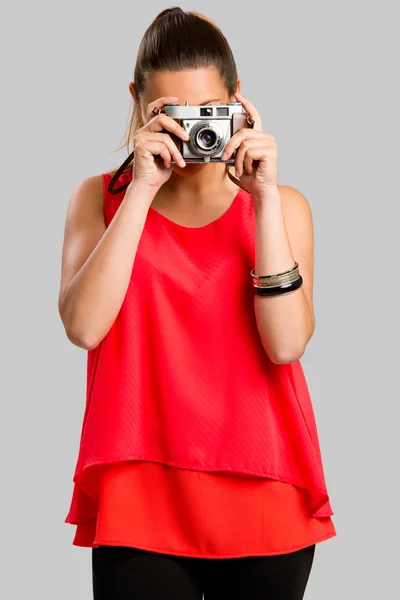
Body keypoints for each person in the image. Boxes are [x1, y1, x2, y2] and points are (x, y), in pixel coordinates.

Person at [58, 6, 336, 599]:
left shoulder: (282, 206)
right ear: (137, 103)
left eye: (206, 111)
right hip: (141, 486)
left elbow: (286, 344)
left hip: (264, 480)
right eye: (170, 114)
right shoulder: (99, 199)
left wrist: (260, 198)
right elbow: (84, 327)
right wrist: (141, 188)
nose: (191, 132)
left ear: (238, 99)